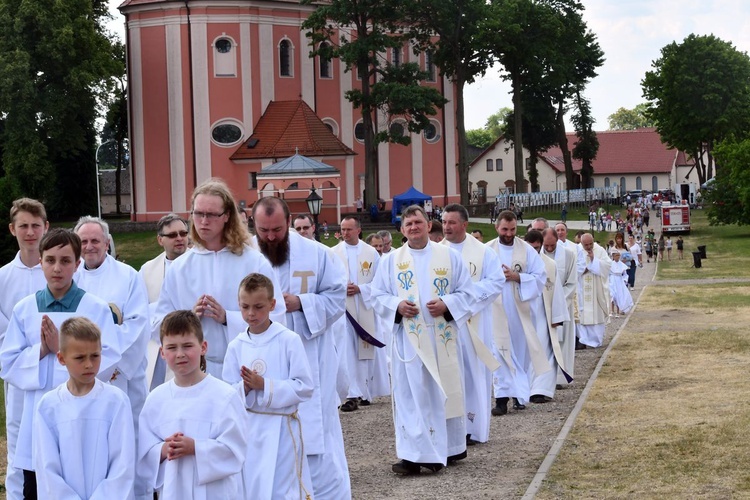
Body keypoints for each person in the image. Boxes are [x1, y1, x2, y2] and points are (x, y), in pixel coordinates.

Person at [1, 229, 122, 498]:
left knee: (83, 474)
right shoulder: (25, 309)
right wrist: (41, 351)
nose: (57, 268)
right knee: (40, 480)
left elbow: (110, 357)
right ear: (40, 262)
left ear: (77, 265)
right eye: (50, 260)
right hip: (39, 415)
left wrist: (62, 352)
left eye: (66, 261)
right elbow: (7, 363)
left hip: (84, 415)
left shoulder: (95, 308)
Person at [252, 196, 351, 498]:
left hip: (310, 358)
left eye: (277, 230)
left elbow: (337, 298)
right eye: (264, 230)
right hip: (262, 360)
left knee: (314, 432)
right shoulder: (244, 256)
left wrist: (301, 303)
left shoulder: (317, 255)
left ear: (289, 221)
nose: (270, 237)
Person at [371, 205, 475, 473]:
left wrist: (447, 304)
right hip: (410, 340)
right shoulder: (391, 261)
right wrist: (396, 305)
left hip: (442, 337)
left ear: (429, 225)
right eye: (408, 224)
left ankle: (450, 448)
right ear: (402, 230)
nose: (414, 228)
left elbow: (468, 292)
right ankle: (414, 455)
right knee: (411, 395)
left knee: (442, 391)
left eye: (418, 222)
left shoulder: (449, 256)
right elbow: (376, 295)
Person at [153, 178, 285, 379]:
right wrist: (188, 319)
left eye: (212, 215)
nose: (203, 221)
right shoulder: (179, 268)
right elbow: (158, 326)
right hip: (194, 372)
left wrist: (228, 319)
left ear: (227, 216)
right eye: (198, 213)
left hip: (245, 368)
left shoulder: (253, 262)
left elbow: (277, 317)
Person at [138, 310, 247, 498]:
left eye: (187, 346)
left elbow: (235, 451)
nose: (180, 354)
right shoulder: (155, 399)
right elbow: (144, 453)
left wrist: (195, 447)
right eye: (172, 348)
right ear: (162, 352)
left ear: (203, 347)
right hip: (173, 490)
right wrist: (163, 450)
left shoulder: (224, 396)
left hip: (215, 492)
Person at [223, 274, 314, 499]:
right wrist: (243, 388)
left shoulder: (288, 340)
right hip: (250, 430)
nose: (251, 314)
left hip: (282, 429)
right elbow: (225, 392)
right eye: (245, 307)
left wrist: (265, 385)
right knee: (253, 486)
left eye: (258, 307)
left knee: (282, 488)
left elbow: (305, 386)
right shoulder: (236, 346)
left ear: (272, 305)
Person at [34, 317, 135, 499]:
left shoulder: (116, 401)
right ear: (61, 358)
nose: (89, 364)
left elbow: (122, 465)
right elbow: (47, 469)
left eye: (95, 356)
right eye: (80, 358)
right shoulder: (49, 407)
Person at [74, 216, 150, 431]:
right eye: (84, 241)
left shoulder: (128, 276)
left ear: (107, 243)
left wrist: (109, 364)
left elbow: (138, 325)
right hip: (81, 371)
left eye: (95, 241)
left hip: (121, 374)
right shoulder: (71, 278)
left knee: (125, 433)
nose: (89, 247)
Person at [440, 204, 503, 444]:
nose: (446, 226)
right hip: (446, 324)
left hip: (475, 324)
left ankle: (474, 428)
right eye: (444, 222)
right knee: (450, 373)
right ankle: (451, 429)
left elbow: (496, 282)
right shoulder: (437, 251)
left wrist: (462, 300)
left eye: (452, 222)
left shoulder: (483, 252)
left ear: (464, 225)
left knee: (473, 372)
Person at [0, 198, 49, 498]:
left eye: (35, 225)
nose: (30, 232)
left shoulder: (60, 269)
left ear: (46, 227)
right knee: (18, 440)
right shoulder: (3, 277)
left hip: (58, 368)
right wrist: (32, 352)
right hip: (19, 373)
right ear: (12, 229)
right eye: (23, 226)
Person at [486, 211, 550, 414]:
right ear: (497, 227)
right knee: (499, 352)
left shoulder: (526, 250)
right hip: (494, 310)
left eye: (512, 229)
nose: (508, 233)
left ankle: (519, 395)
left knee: (519, 353)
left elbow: (540, 276)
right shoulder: (487, 250)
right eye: (504, 229)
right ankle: (501, 399)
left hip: (518, 310)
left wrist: (517, 277)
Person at [333, 217, 388, 412]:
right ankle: (351, 393)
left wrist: (361, 289)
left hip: (365, 307)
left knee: (364, 350)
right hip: (343, 312)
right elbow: (328, 282)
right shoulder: (333, 253)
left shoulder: (371, 253)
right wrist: (341, 289)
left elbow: (381, 282)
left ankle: (365, 391)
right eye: (343, 229)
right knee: (346, 352)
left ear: (358, 230)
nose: (345, 233)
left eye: (349, 229)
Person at [140, 213, 189, 389]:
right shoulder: (147, 270)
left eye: (183, 233)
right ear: (160, 240)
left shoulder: (197, 264)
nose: (179, 238)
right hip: (157, 346)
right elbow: (140, 310)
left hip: (188, 346)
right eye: (172, 235)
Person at [523, 230, 569, 403]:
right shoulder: (517, 262)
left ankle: (541, 390)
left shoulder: (548, 264)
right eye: (531, 247)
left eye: (537, 247)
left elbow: (556, 290)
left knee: (545, 348)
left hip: (543, 311)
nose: (534, 251)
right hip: (523, 311)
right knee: (526, 351)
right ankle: (525, 388)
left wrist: (557, 316)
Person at [541, 228, 582, 388]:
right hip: (541, 306)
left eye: (552, 245)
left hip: (563, 306)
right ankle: (542, 379)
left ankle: (559, 377)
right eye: (547, 246)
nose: (549, 249)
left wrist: (556, 301)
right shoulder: (536, 254)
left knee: (562, 342)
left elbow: (571, 283)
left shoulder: (568, 255)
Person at [577, 233, 612, 348]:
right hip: (582, 287)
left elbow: (607, 265)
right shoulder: (577, 250)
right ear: (581, 243)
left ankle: (596, 340)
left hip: (596, 289)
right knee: (582, 314)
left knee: (596, 314)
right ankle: (584, 340)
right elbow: (572, 267)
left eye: (590, 244)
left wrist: (594, 260)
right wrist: (584, 269)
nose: (588, 247)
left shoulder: (600, 250)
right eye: (585, 245)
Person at [608, 250, 633, 317]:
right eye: (616, 255)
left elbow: (625, 274)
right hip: (612, 280)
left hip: (619, 280)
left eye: (619, 255)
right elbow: (608, 274)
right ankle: (612, 310)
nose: (618, 257)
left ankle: (618, 312)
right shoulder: (610, 264)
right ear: (613, 256)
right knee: (612, 295)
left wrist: (625, 280)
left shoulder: (622, 265)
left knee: (619, 296)